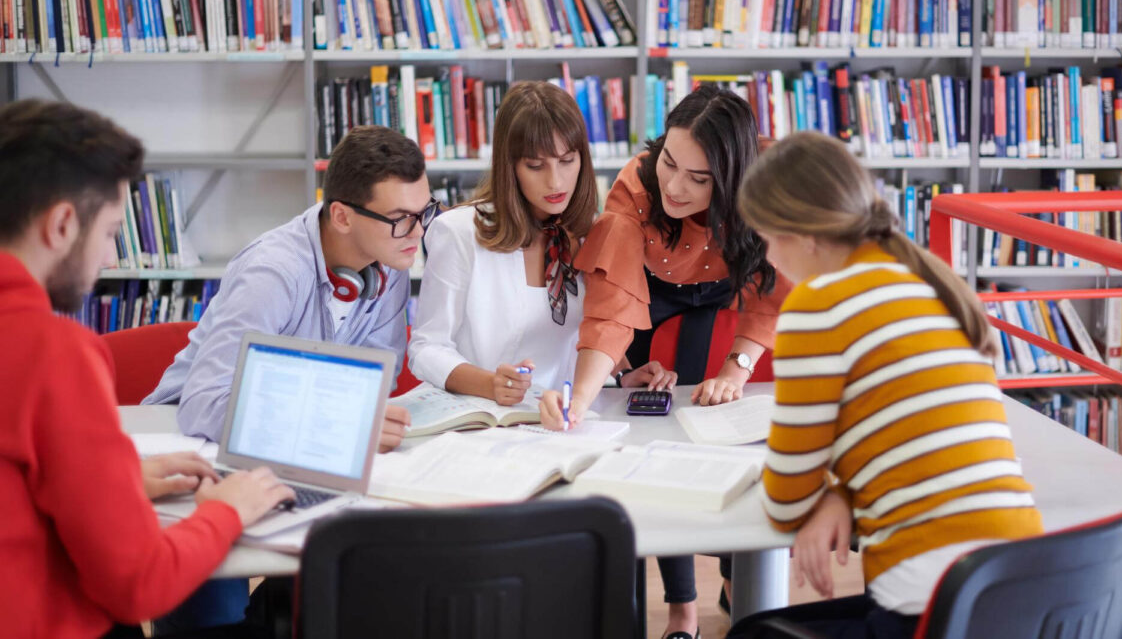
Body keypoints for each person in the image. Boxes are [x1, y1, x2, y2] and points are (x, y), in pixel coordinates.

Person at [728, 132, 1044, 639]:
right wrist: (841, 495)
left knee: (752, 634)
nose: (767, 258)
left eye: (767, 239)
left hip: (937, 603)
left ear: (803, 235)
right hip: (1022, 585)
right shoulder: (929, 284)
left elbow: (786, 500)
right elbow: (907, 444)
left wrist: (829, 496)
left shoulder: (817, 304)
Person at [0, 99, 295, 639]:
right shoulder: (54, 352)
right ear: (62, 224)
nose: (107, 258)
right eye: (111, 231)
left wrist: (120, 483)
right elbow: (140, 585)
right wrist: (226, 510)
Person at [540, 85, 793, 639]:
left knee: (724, 434)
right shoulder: (637, 188)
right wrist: (581, 398)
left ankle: (738, 578)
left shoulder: (767, 185)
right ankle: (682, 607)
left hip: (725, 291)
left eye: (698, 179)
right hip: (651, 294)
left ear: (731, 179)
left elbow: (770, 289)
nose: (675, 187)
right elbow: (611, 308)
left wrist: (735, 370)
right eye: (670, 163)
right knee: (655, 439)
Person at [144, 125, 430, 451]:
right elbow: (204, 405)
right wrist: (337, 423)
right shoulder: (272, 273)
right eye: (400, 218)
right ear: (341, 217)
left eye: (423, 212)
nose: (418, 232)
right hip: (189, 439)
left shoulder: (390, 261)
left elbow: (376, 382)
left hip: (292, 438)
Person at [409, 82, 670, 402]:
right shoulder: (459, 232)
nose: (555, 181)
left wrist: (621, 375)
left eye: (567, 160)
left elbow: (588, 332)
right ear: (510, 167)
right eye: (535, 166)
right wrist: (489, 385)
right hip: (481, 414)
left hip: (564, 416)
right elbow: (426, 348)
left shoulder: (592, 233)